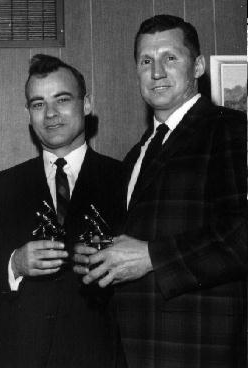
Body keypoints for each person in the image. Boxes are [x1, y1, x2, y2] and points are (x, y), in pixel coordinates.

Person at [73, 14, 247, 368]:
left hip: (202, 351)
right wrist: (99, 257)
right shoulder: (136, 153)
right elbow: (135, 243)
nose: (157, 72)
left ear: (197, 65)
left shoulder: (233, 130)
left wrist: (153, 256)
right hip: (135, 350)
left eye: (171, 58)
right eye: (146, 61)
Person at [0, 54, 127, 367]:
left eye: (62, 99)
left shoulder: (124, 178)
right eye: (38, 104)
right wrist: (14, 263)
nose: (51, 114)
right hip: (22, 356)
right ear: (28, 114)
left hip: (101, 356)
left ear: (86, 104)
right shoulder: (3, 185)